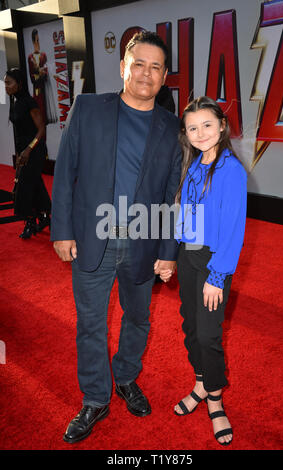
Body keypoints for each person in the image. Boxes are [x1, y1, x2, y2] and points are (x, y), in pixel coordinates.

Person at [51, 31, 181, 444]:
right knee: (90, 325)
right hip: (93, 238)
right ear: (123, 67)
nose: (146, 73)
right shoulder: (88, 108)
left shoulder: (172, 127)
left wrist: (168, 252)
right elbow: (66, 170)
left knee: (138, 318)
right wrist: (62, 230)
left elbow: (171, 195)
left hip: (143, 240)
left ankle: (126, 378)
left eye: (155, 67)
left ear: (163, 78)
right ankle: (95, 398)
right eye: (138, 64)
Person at [174, 96, 247, 446]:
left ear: (221, 126)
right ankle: (201, 381)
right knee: (190, 325)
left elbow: (233, 228)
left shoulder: (231, 169)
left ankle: (215, 400)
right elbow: (184, 215)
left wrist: (218, 275)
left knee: (208, 335)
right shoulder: (194, 164)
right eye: (192, 127)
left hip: (214, 261)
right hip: (187, 257)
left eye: (206, 125)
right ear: (185, 134)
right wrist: (172, 254)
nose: (200, 132)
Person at [4, 68, 51, 239]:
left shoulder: (29, 102)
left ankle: (30, 222)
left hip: (35, 151)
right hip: (24, 153)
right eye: (5, 82)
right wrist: (19, 154)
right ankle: (45, 217)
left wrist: (28, 150)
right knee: (35, 185)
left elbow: (41, 129)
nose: (6, 86)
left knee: (25, 189)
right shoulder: (15, 102)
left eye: (9, 82)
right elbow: (19, 133)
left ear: (20, 84)